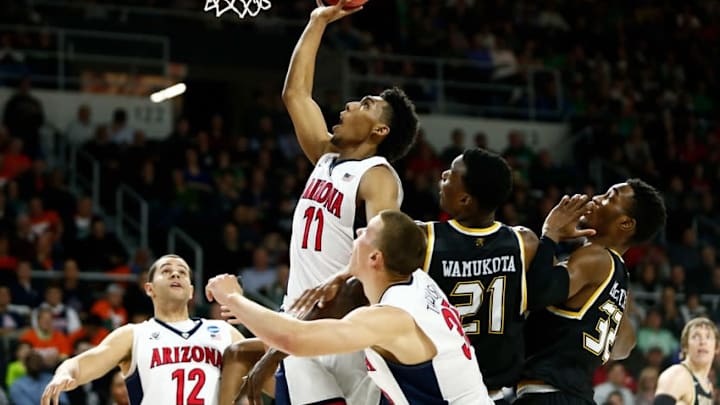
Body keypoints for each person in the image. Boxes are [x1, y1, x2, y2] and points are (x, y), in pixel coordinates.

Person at [220, 0, 420, 403]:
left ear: (380, 130)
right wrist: (318, 21)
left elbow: (382, 256)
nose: (347, 105)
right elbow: (295, 94)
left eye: (364, 104)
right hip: (300, 319)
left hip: (347, 322)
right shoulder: (326, 158)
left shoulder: (377, 176)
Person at [207, 210, 492, 405]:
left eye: (365, 232)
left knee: (298, 360)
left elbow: (294, 339)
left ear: (375, 258)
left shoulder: (391, 317)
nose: (357, 231)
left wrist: (232, 297)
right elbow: (405, 236)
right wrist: (342, 274)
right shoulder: (416, 277)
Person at [420, 148, 595, 403]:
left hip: (433, 392)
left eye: (450, 175)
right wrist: (550, 237)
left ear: (465, 199)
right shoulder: (524, 242)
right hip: (492, 396)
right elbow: (546, 293)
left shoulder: (422, 240)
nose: (443, 174)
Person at [516, 179, 667, 404]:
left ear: (625, 223)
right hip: (578, 395)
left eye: (609, 197)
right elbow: (624, 347)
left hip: (550, 394)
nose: (596, 198)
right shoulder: (620, 279)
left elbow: (538, 293)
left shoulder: (595, 257)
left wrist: (550, 234)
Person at [41, 254, 244, 405]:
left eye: (182, 272)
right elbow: (81, 364)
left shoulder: (222, 330)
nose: (175, 273)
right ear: (149, 289)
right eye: (166, 271)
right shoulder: (133, 335)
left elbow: (269, 373)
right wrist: (64, 373)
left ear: (191, 291)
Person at [654, 317, 716, 405]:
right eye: (696, 336)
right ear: (685, 346)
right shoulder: (677, 375)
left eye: (708, 337)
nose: (703, 342)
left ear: (717, 347)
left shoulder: (708, 385)